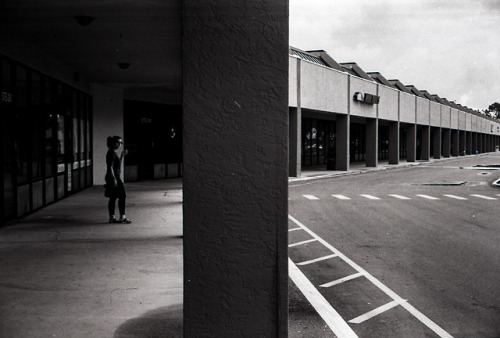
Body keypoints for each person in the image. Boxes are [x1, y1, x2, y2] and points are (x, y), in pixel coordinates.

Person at [104, 135, 132, 224]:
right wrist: (113, 179)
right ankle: (122, 217)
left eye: (121, 143)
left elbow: (117, 165)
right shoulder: (111, 153)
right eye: (118, 142)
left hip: (113, 176)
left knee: (113, 197)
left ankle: (112, 217)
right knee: (122, 196)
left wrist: (122, 156)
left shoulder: (113, 152)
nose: (120, 144)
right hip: (114, 177)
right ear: (113, 143)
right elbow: (110, 167)